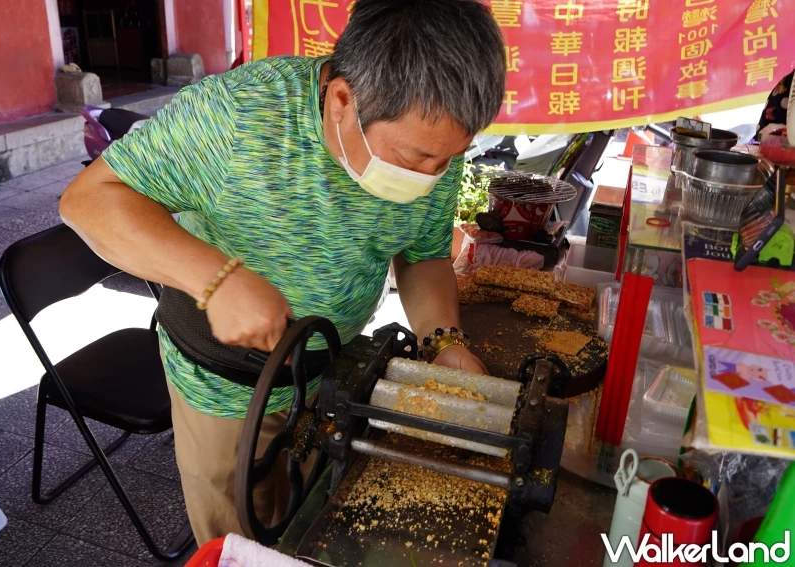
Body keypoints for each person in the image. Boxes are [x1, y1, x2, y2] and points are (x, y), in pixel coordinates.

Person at [59, 0, 505, 545]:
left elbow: (423, 255)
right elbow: (89, 201)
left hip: (330, 371)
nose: (433, 176)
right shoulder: (238, 116)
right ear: (342, 100)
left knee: (305, 527)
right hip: (223, 385)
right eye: (416, 160)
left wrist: (444, 341)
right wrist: (217, 279)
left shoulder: (434, 133)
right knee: (239, 544)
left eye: (450, 158)